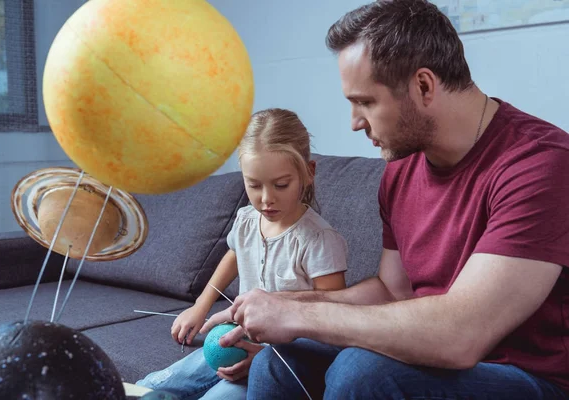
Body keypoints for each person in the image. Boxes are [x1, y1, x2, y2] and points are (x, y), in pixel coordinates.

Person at [200, 1, 569, 399]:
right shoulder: (401, 170)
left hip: (523, 377)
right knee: (280, 360)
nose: (355, 122)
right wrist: (276, 303)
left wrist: (301, 314)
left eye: (365, 102)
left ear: (423, 86)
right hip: (426, 353)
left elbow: (463, 335)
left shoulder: (539, 165)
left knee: (363, 371)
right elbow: (392, 291)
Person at [136, 108, 348, 399]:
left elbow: (334, 320)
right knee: (151, 386)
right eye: (254, 185)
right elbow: (234, 255)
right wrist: (200, 305)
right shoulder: (247, 219)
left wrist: (262, 357)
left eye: (280, 185)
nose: (266, 198)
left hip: (279, 360)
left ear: (308, 173)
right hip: (233, 337)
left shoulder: (319, 240)